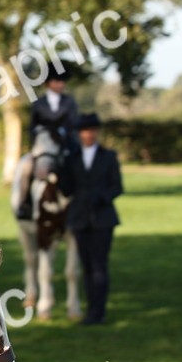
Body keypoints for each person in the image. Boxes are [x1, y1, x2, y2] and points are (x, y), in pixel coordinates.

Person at [59, 113, 123, 325]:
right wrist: (60, 170)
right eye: (85, 130)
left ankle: (99, 312)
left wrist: (101, 198)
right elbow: (67, 189)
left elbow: (117, 187)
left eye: (92, 130)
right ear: (79, 134)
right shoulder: (72, 158)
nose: (89, 134)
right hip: (79, 218)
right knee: (86, 267)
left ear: (97, 132)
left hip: (103, 218)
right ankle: (91, 312)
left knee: (99, 267)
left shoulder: (108, 156)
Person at [17, 64, 80, 218]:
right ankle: (25, 204)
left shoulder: (69, 102)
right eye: (57, 81)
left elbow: (74, 125)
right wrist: (36, 144)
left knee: (80, 168)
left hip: (64, 146)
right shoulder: (38, 104)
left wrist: (63, 134)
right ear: (48, 83)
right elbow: (32, 128)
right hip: (43, 146)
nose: (61, 84)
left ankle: (81, 205)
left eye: (62, 81)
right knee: (26, 167)